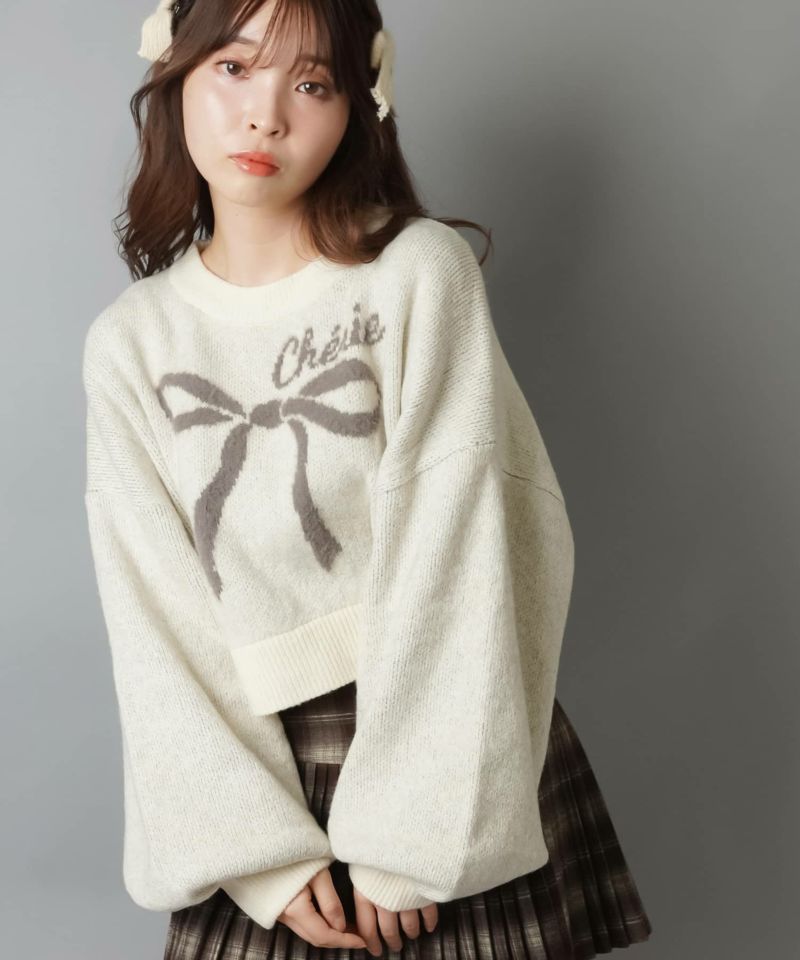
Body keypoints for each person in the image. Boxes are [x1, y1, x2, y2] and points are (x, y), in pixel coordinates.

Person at [81, 0, 654, 957]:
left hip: (446, 738)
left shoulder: (417, 274)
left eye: (312, 83)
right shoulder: (131, 344)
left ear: (361, 104)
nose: (265, 115)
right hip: (257, 766)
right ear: (174, 76)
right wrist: (255, 854)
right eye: (233, 68)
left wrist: (414, 833)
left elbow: (470, 539)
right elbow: (156, 619)